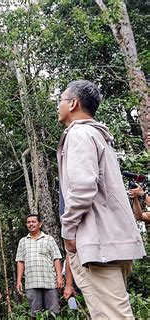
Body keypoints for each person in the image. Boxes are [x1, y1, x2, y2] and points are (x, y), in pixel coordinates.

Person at [57, 80, 146, 319]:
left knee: (111, 315)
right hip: (113, 239)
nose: (58, 105)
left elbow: (83, 187)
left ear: (73, 103)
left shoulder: (79, 133)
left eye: (61, 100)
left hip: (97, 243)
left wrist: (68, 230)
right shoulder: (99, 136)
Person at [15, 214, 63, 318]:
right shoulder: (23, 241)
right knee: (35, 314)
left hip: (49, 282)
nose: (30, 224)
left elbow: (56, 258)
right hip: (32, 282)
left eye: (33, 222)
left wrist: (59, 277)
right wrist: (19, 280)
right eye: (28, 222)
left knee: (53, 312)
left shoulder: (48, 239)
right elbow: (20, 261)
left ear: (40, 224)